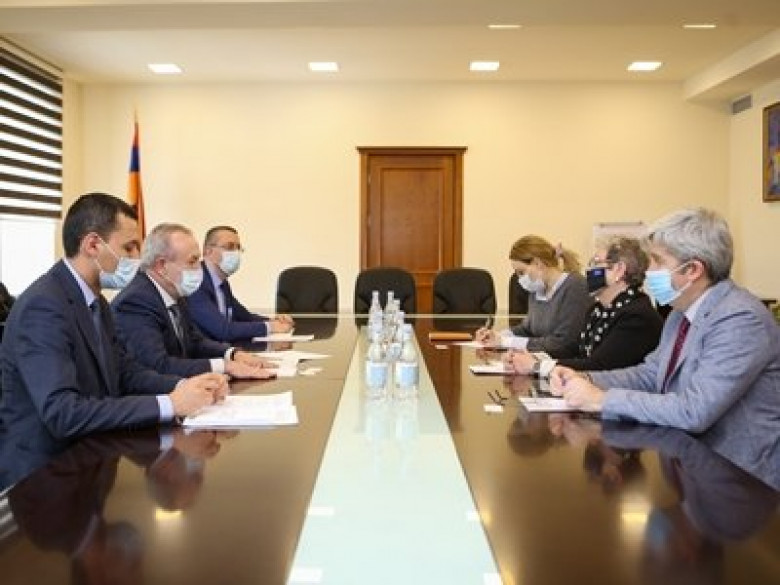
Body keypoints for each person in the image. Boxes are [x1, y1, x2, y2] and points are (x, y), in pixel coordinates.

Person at [550, 208, 780, 478]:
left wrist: (602, 400)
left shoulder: (740, 319)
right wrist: (586, 378)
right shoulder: (680, 312)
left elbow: (694, 410)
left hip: (741, 479)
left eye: (658, 261)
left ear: (693, 269)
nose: (648, 271)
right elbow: (650, 374)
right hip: (690, 466)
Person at [0, 193, 227, 448]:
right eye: (129, 247)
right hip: (48, 464)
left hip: (93, 449)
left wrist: (187, 386)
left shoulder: (97, 303)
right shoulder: (43, 306)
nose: (138, 258)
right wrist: (170, 404)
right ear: (92, 245)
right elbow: (62, 412)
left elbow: (125, 373)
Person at [112, 223, 274, 379]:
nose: (199, 268)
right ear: (161, 266)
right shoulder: (136, 302)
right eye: (192, 261)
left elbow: (194, 341)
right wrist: (224, 366)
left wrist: (232, 354)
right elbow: (158, 365)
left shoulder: (175, 293)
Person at [505, 237, 662, 377]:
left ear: (619, 270)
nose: (589, 270)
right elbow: (574, 351)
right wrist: (531, 358)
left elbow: (598, 365)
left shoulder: (636, 316)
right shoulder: (598, 310)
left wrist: (537, 366)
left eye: (596, 263)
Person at [475, 235, 590, 357]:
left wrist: (505, 342)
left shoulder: (576, 286)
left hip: (567, 364)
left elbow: (563, 344)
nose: (519, 279)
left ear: (538, 263)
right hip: (542, 361)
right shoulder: (538, 289)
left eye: (521, 272)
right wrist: (497, 335)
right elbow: (527, 329)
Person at [187, 225, 293, 342]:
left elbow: (245, 317)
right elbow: (223, 330)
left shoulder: (222, 283)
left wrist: (273, 321)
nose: (236, 253)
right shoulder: (196, 282)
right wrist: (269, 327)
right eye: (230, 247)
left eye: (238, 248)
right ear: (208, 251)